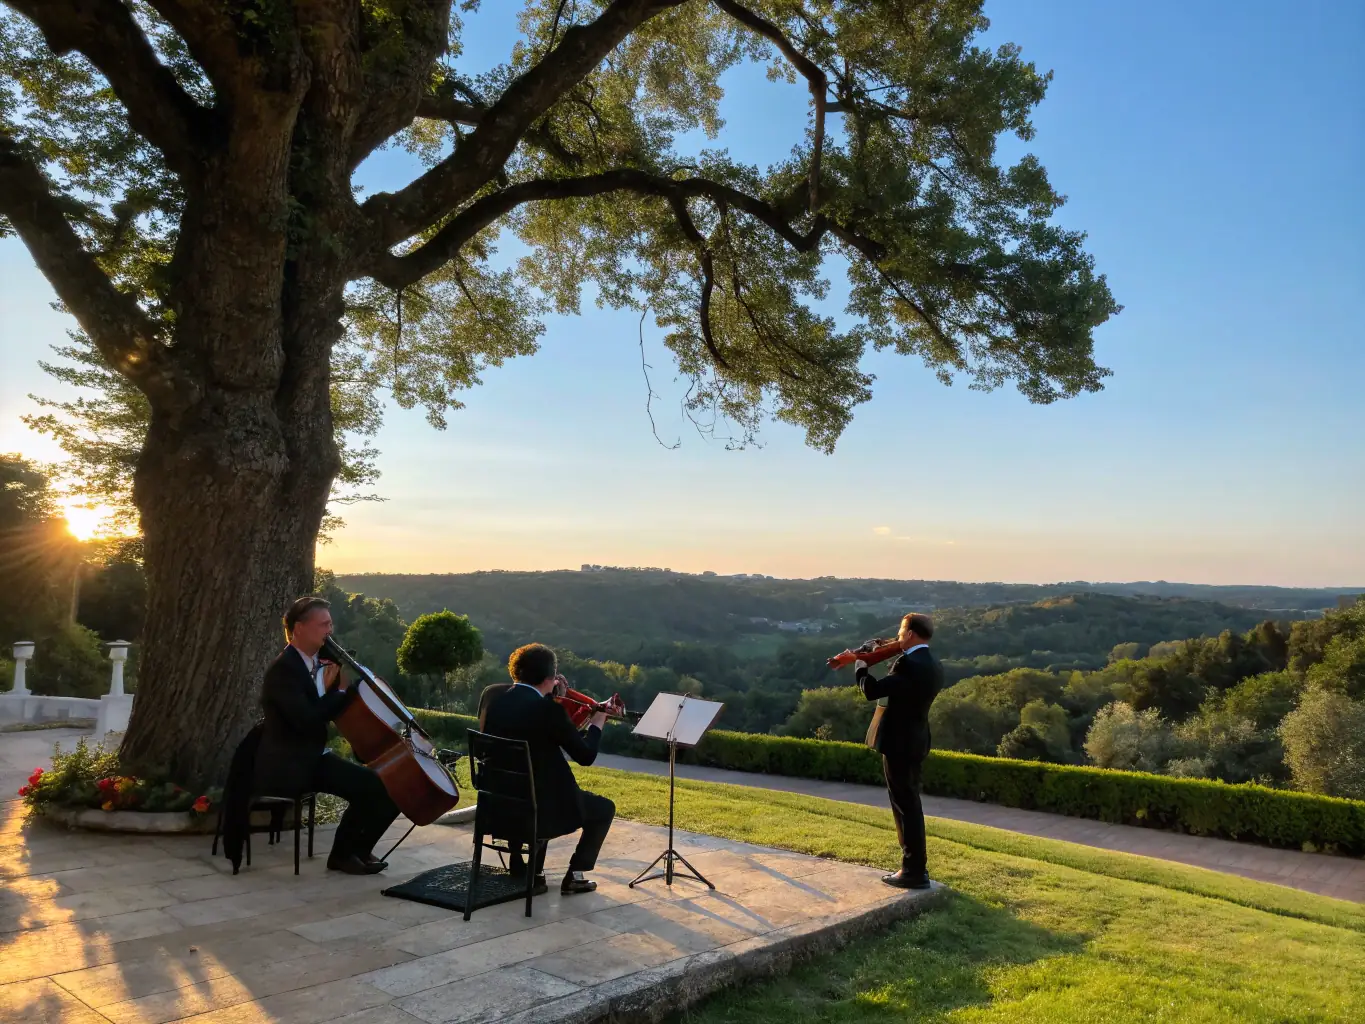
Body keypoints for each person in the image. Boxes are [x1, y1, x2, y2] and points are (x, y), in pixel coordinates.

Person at [254, 596, 401, 875]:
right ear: (299, 628)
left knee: (389, 785)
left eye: (330, 624)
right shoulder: (284, 669)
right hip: (292, 762)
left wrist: (344, 692)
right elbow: (307, 719)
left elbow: (323, 709)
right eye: (323, 624)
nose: (329, 631)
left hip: (309, 756)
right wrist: (342, 692)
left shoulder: (312, 664)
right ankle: (343, 855)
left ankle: (358, 848)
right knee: (372, 786)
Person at [482, 643, 618, 895]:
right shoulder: (549, 711)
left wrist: (552, 698)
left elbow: (534, 729)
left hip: (498, 805)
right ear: (550, 677)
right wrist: (598, 722)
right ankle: (575, 874)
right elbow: (585, 755)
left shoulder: (495, 701)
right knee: (603, 808)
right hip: (537, 810)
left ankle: (525, 867)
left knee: (531, 784)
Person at [855, 612, 944, 889]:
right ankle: (915, 868)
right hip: (917, 740)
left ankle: (913, 870)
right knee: (910, 804)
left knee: (905, 807)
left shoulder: (908, 663)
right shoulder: (933, 663)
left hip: (899, 742)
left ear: (911, 634)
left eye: (901, 631)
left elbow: (873, 690)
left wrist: (860, 667)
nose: (898, 635)